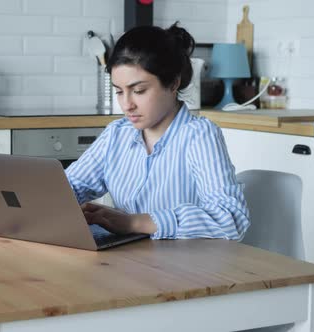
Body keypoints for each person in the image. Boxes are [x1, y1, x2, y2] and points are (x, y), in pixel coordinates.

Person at [66, 23, 250, 240]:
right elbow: (71, 185)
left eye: (139, 91)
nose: (127, 105)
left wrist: (134, 222)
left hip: (187, 267)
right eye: (119, 92)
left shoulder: (198, 135)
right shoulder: (117, 133)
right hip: (128, 263)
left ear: (173, 83)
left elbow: (232, 219)